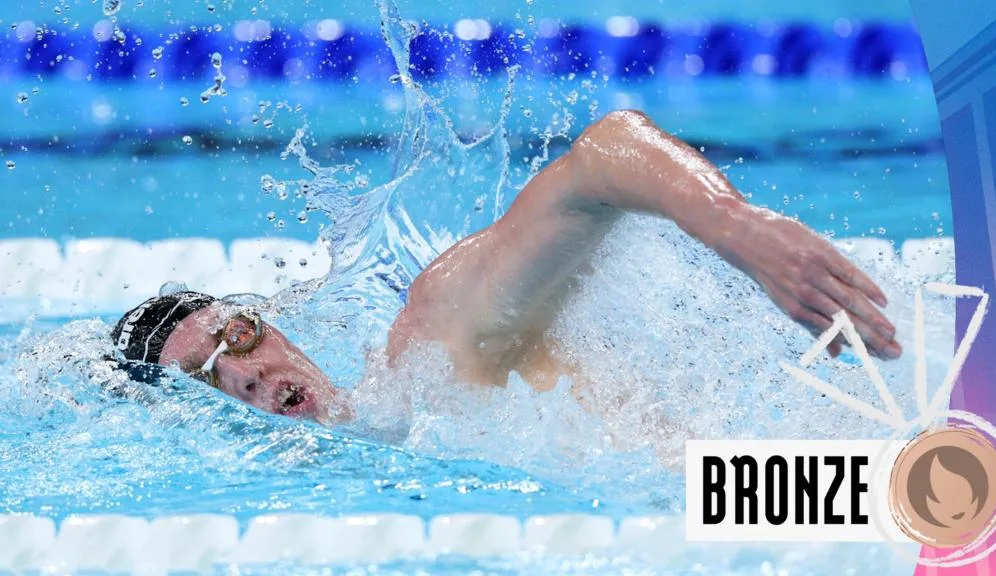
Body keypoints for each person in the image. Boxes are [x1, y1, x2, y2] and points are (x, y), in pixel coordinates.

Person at [110, 110, 902, 425]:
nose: (243, 375)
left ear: (269, 325)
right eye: (205, 383)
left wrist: (736, 228)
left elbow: (600, 158)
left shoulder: (434, 356)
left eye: (237, 338)